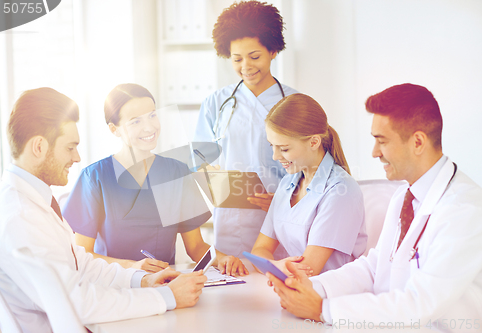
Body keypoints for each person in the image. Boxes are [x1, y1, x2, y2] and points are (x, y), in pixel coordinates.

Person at [0, 88, 208, 332]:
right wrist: (166, 297)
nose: (77, 157)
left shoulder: (31, 202)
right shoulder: (19, 216)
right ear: (38, 147)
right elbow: (76, 300)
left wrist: (142, 280)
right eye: (70, 148)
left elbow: (80, 263)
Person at [268, 84, 482, 327]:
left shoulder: (464, 210)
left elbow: (420, 304)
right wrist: (313, 287)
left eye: (382, 141)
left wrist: (323, 309)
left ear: (418, 142)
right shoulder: (404, 196)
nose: (374, 152)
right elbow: (374, 267)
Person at [63, 83, 248, 276]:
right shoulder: (95, 177)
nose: (149, 127)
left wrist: (223, 259)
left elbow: (196, 247)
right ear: (114, 129)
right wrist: (131, 267)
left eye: (152, 115)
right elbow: (82, 254)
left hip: (165, 285)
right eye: (135, 121)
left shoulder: (177, 172)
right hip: (112, 287)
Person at [194, 0, 298, 258]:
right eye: (237, 59)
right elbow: (199, 160)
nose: (246, 67)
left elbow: (313, 167)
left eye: (254, 57)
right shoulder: (215, 103)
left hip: (281, 216)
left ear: (273, 50)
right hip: (231, 219)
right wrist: (209, 174)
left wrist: (286, 201)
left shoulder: (295, 103)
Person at [250, 94, 367, 276]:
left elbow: (307, 270)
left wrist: (273, 267)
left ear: (314, 142)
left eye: (284, 148)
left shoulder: (341, 190)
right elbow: (259, 250)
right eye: (272, 146)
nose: (275, 156)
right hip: (291, 287)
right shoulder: (288, 183)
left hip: (328, 295)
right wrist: (277, 267)